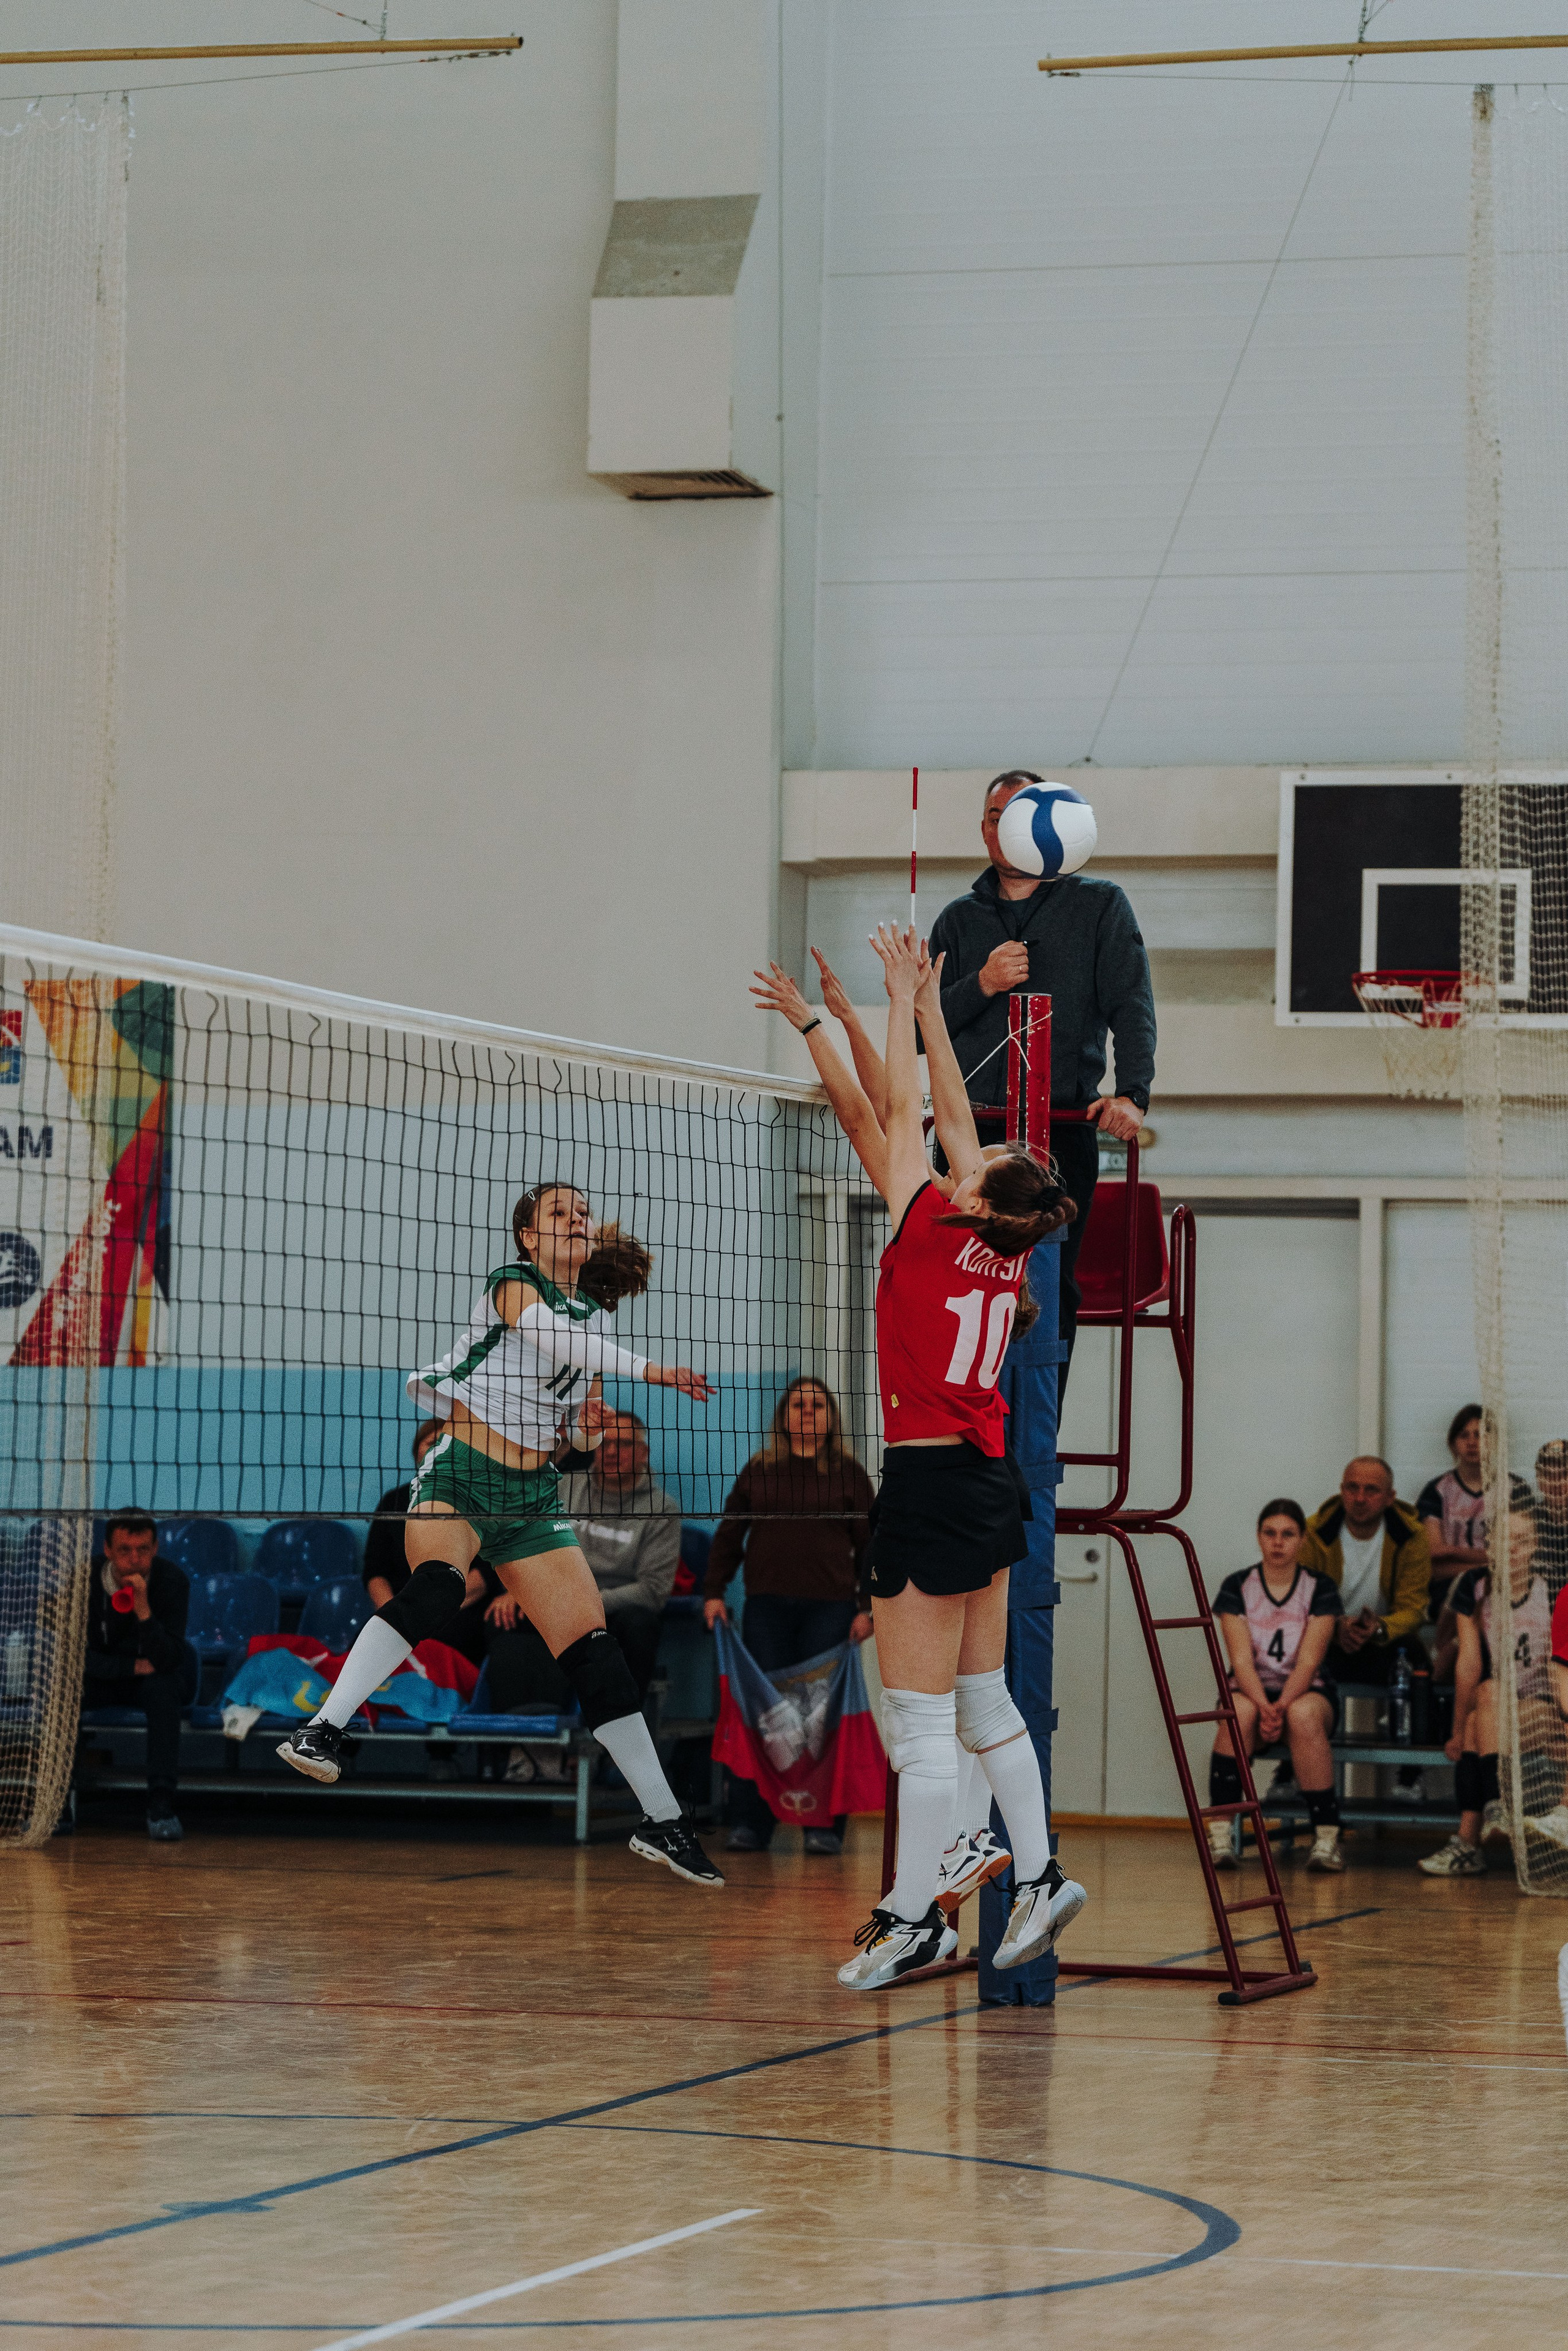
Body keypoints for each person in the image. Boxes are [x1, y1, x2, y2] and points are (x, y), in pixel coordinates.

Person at [761, 923, 1084, 1989]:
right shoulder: (995, 1247)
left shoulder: (933, 1225)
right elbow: (897, 1115)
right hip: (993, 1484)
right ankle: (1034, 1876)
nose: (969, 1144)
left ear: (980, 1196)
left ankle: (917, 1915)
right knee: (987, 1702)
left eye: (982, 1158)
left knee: (920, 1717)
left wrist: (902, 1001)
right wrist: (851, 1020)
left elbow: (906, 1111)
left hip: (934, 1482)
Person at [276, 1179, 723, 1888]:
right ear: (528, 1236)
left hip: (531, 1497)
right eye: (559, 1212)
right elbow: (546, 1334)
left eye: (583, 1212)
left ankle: (663, 1819)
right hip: (460, 1474)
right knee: (438, 1589)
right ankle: (321, 1728)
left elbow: (570, 1441)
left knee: (594, 1651)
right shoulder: (511, 1284)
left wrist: (585, 1428)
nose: (576, 1219)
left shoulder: (594, 1323)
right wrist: (656, 1371)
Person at [927, 769, 1156, 1381]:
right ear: (985, 830)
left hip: (1059, 1132)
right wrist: (982, 983)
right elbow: (925, 1027)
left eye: (1021, 814)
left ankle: (1033, 1440)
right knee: (950, 1273)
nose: (1009, 828)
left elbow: (1130, 1001)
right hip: (965, 1132)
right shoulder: (956, 921)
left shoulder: (1099, 906)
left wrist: (1132, 1093)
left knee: (1049, 1281)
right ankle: (956, 1414)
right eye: (997, 817)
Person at [703, 1375, 875, 1857]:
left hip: (831, 1612)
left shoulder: (849, 1475)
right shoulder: (759, 1470)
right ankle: (751, 1824)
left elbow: (872, 1549)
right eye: (799, 1405)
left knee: (820, 1720)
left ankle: (823, 1827)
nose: (807, 1413)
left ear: (831, 1419)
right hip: (767, 1610)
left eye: (818, 1406)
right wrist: (713, 1592)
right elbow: (728, 1536)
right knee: (766, 1717)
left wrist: (868, 1608)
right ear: (783, 1415)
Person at [487, 1409, 680, 1784]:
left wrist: (584, 1604)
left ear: (643, 1453)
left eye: (623, 1444)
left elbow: (652, 1591)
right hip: (555, 1597)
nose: (612, 1452)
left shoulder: (662, 1510)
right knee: (504, 1619)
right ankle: (526, 1746)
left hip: (613, 1611)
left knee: (642, 1624)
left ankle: (612, 1745)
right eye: (605, 1442)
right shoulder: (563, 1488)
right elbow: (526, 1544)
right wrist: (516, 1588)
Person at [1207, 1500, 1345, 1874]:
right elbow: (1240, 1658)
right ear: (1258, 1537)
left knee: (1302, 1715)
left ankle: (1327, 1838)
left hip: (1305, 1691)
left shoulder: (1320, 1588)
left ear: (1302, 1540)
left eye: (1288, 1534)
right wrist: (1265, 1706)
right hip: (1251, 1689)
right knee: (1237, 1713)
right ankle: (1220, 1834)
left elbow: (1310, 1661)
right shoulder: (1237, 1586)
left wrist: (1280, 1706)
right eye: (1270, 1533)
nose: (1278, 1542)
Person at [1420, 1504, 1555, 1875]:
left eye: (1522, 1541)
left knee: (1484, 1712)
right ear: (1489, 1543)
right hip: (1497, 1706)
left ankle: (1468, 1843)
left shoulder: (1553, 1589)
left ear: (1537, 1547)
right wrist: (1457, 1726)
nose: (1511, 1549)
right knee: (1485, 1701)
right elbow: (1469, 1663)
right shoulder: (1474, 1584)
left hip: (1544, 1706)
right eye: (1504, 1539)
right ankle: (1496, 1812)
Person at [1301, 1457, 1432, 1802]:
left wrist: (1377, 1629)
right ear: (1341, 1491)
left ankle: (1410, 1777)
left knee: (1418, 1658)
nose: (1360, 1497)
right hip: (1327, 1639)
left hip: (1383, 1643)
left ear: (1390, 1497)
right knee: (1294, 1653)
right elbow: (1300, 1602)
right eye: (1352, 1487)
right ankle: (1289, 1772)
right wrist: (1334, 1627)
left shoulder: (1411, 1536)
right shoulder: (1314, 1532)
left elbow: (1414, 1608)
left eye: (1371, 1490)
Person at [82, 1510, 195, 1842]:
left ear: (156, 1548)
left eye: (143, 1550)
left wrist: (144, 1610)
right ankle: (60, 1804)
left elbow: (171, 1658)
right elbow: (75, 1658)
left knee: (166, 1688)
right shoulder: (84, 1582)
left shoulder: (173, 1582)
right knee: (63, 1690)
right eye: (124, 1550)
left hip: (151, 1680)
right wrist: (127, 1667)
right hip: (106, 1677)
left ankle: (161, 1804)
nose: (134, 1560)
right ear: (107, 1550)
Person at [363, 1417, 495, 1666]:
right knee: (367, 1650)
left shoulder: (479, 1503)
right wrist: (395, 1615)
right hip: (398, 1609)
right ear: (416, 1452)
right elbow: (375, 1570)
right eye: (432, 1443)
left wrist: (429, 1612)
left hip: (456, 1613)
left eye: (448, 1445)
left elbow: (487, 1571)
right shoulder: (393, 1502)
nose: (439, 1451)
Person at [1532, 1439, 1568, 1604]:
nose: (1558, 1483)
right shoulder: (1528, 1525)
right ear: (1540, 1479)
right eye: (1550, 1475)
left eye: (1564, 1474)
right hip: (1539, 1617)